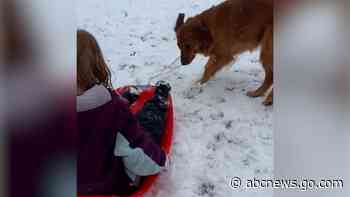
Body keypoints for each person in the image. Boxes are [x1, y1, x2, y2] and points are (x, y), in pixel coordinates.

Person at [77, 29, 167, 195]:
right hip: (109, 183)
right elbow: (139, 154)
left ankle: (128, 97)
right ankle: (160, 97)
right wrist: (160, 160)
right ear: (95, 64)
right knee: (148, 123)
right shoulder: (112, 111)